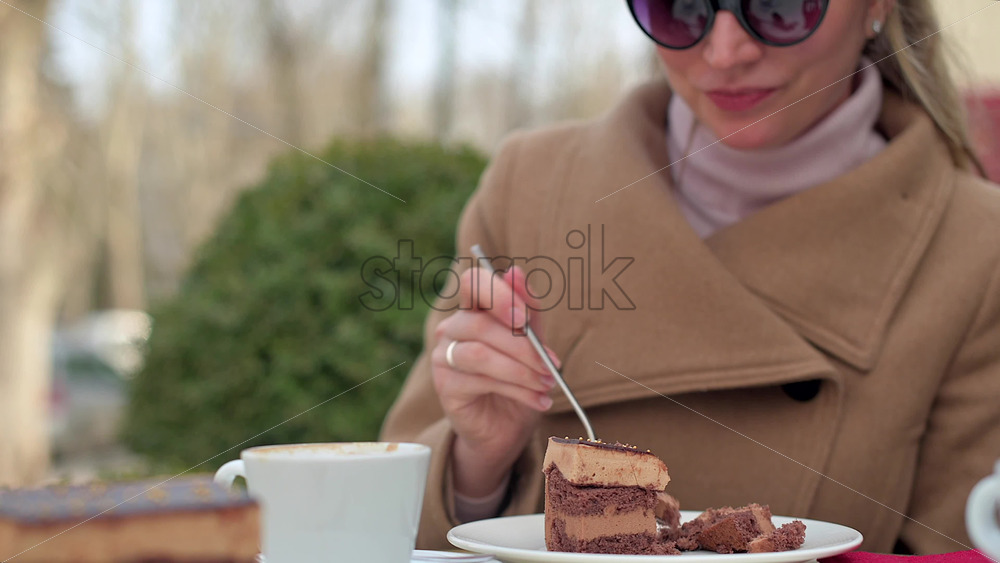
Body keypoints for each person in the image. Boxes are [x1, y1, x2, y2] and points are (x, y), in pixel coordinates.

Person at [380, 0, 1000, 554]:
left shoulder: (977, 247)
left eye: (780, 5)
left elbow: (961, 547)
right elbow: (383, 528)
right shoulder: (531, 185)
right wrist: (480, 463)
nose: (726, 51)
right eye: (679, 7)